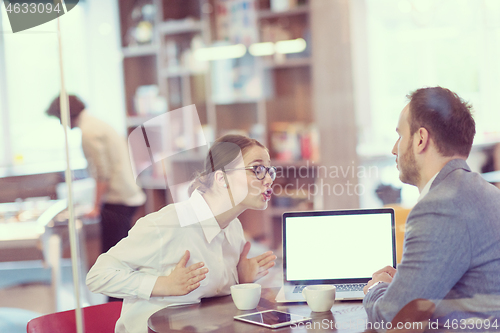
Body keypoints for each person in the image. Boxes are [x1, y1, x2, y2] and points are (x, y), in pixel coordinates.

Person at [86, 134, 277, 333]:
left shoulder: (233, 228)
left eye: (270, 170)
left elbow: (210, 298)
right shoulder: (168, 224)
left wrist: (240, 279)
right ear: (222, 178)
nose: (269, 179)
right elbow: (98, 276)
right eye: (258, 169)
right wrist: (162, 285)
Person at [363, 87, 500, 326]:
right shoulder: (483, 192)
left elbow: (392, 317)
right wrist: (406, 283)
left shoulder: (440, 207)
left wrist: (377, 287)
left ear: (420, 139)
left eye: (400, 136)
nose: (394, 149)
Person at [46, 95, 146, 257]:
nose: (60, 123)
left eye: (59, 118)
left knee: (112, 257)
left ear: (67, 114)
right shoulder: (96, 124)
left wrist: (95, 206)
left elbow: (102, 174)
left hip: (118, 199)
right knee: (120, 253)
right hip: (128, 194)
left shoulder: (89, 132)